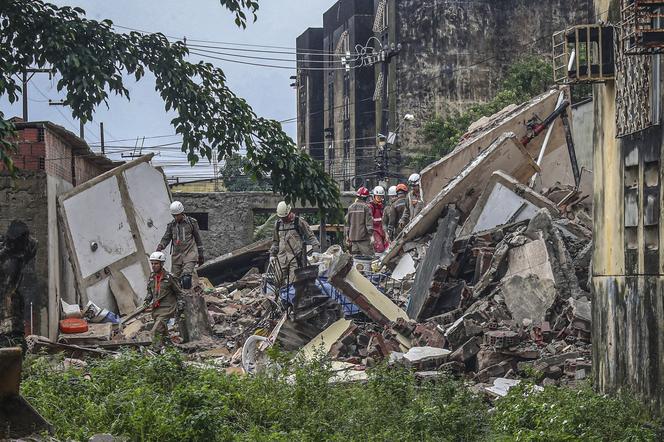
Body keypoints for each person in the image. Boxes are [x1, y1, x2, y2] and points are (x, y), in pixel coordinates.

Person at [270, 201, 320, 287]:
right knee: (277, 281)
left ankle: (291, 299)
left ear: (289, 212)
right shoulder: (278, 224)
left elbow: (311, 236)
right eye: (281, 217)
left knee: (293, 284)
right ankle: (281, 298)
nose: (283, 219)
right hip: (281, 258)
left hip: (295, 258)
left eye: (285, 217)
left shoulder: (298, 222)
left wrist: (316, 250)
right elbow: (275, 241)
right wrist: (272, 254)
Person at [157, 201, 204, 290]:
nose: (176, 217)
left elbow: (198, 239)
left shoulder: (191, 223)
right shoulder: (171, 225)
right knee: (174, 281)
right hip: (177, 257)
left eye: (177, 215)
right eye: (174, 215)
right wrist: (160, 246)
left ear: (182, 213)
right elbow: (166, 238)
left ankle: (188, 297)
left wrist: (201, 254)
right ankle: (179, 300)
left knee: (186, 277)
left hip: (190, 254)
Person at [143, 251, 182, 349]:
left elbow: (179, 292)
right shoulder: (152, 277)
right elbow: (150, 292)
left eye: (156, 263)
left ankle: (155, 351)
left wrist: (181, 304)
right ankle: (169, 348)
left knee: (156, 330)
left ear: (162, 264)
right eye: (152, 263)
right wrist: (147, 300)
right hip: (156, 309)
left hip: (168, 308)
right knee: (163, 331)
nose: (153, 265)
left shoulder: (169, 277)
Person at [345, 186, 374, 256]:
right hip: (363, 239)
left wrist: (347, 236)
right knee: (369, 259)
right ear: (366, 197)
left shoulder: (350, 207)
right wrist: (371, 236)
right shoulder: (366, 207)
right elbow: (369, 224)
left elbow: (347, 224)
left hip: (353, 239)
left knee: (356, 261)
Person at [369, 186, 389, 253]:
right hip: (375, 231)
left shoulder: (382, 206)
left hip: (382, 230)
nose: (380, 198)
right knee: (379, 249)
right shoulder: (371, 206)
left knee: (388, 248)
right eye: (378, 197)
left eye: (381, 197)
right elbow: (369, 220)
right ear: (374, 196)